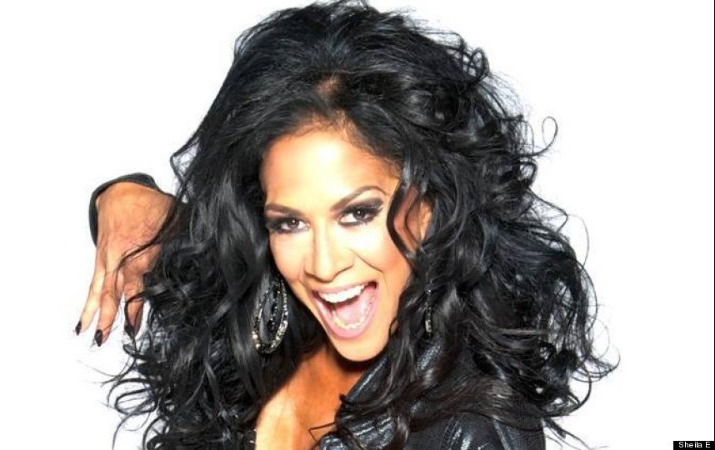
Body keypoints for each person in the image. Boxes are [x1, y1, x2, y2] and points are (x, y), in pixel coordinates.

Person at [74, 1, 613, 448]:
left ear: (430, 205)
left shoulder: (471, 431)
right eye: (290, 223)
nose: (325, 265)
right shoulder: (253, 330)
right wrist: (119, 194)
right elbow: (164, 228)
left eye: (358, 213)